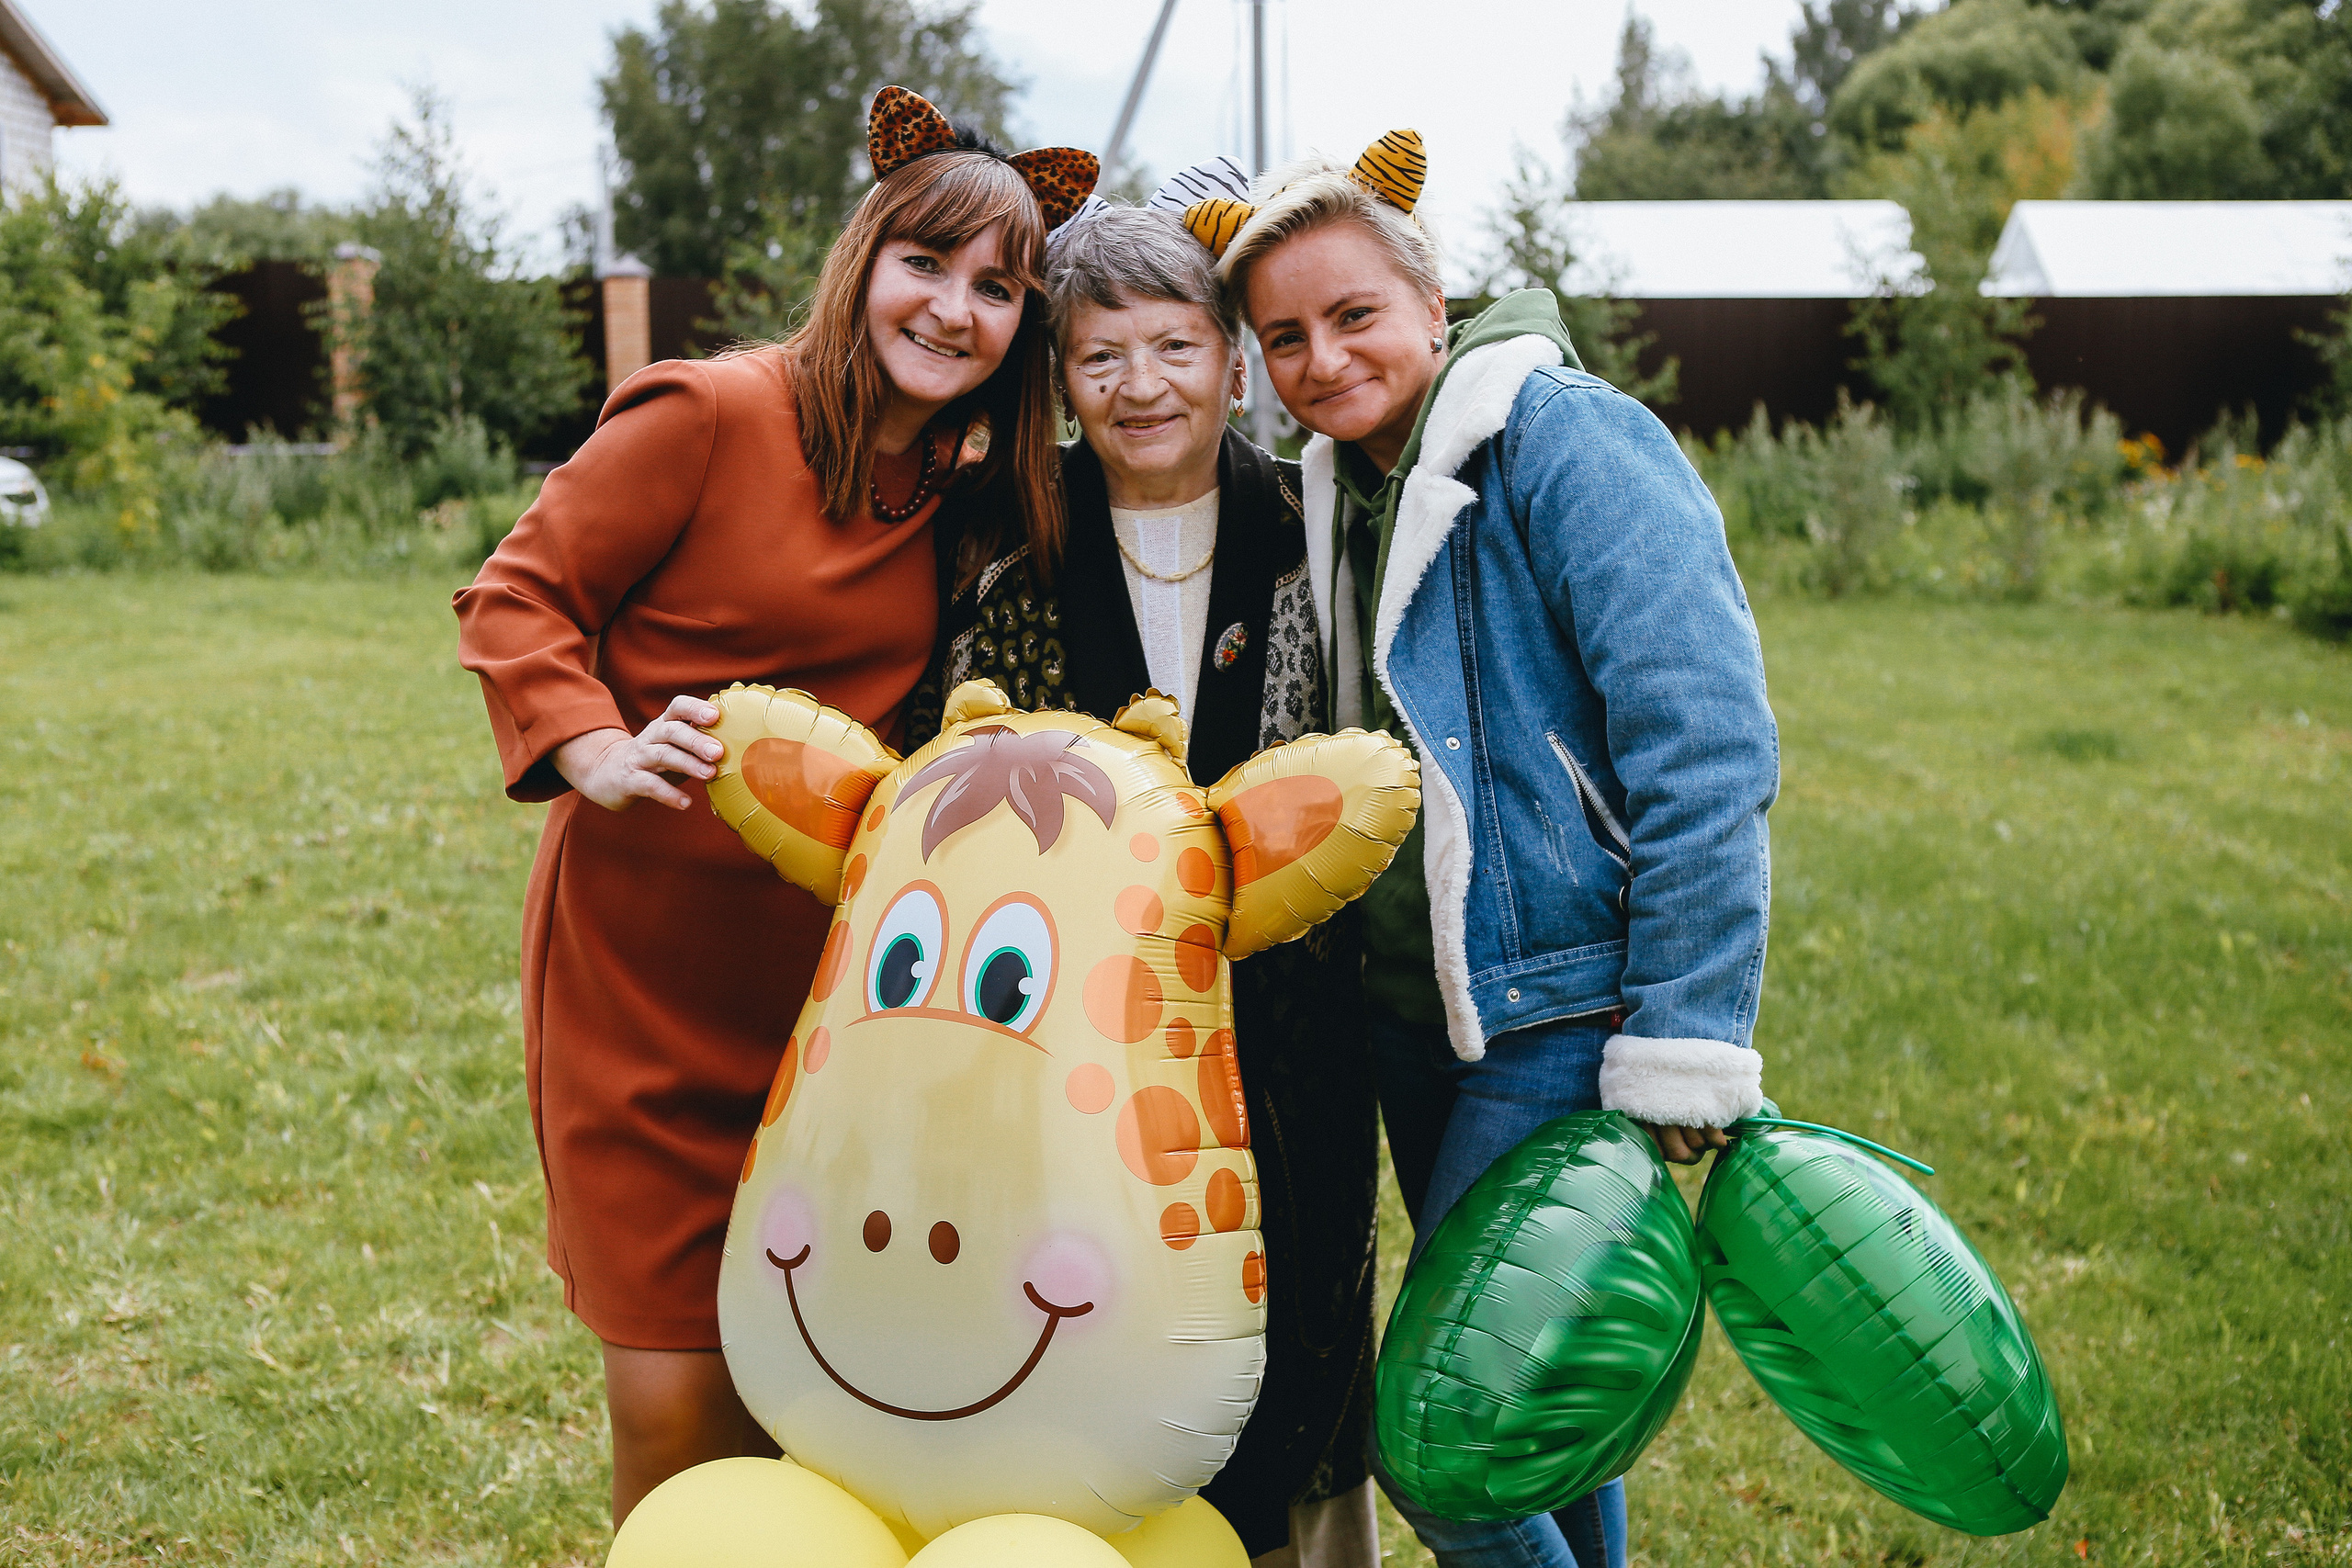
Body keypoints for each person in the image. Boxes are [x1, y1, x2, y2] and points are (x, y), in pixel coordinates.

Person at [452, 85, 1094, 1528]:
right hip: (641, 979)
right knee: (674, 1410)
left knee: (801, 1393)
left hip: (836, 1007)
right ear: (864, 256)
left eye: (998, 289)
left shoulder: (969, 496)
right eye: (925, 264)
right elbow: (518, 597)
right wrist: (591, 746)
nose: (951, 309)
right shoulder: (708, 412)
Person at [1189, 133, 1780, 1568]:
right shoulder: (1340, 483)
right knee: (1539, 1396)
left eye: (1354, 316)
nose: (1322, 359)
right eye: (1285, 337)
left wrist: (1688, 1031)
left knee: (1441, 1442)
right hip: (1422, 1021)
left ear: (1434, 303)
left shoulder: (1563, 438)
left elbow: (1705, 737)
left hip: (1554, 1017)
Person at [910, 166, 1381, 1568]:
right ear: (1060, 383)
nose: (1143, 385)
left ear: (1231, 363)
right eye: (1101, 357)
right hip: (1076, 1030)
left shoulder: (1317, 527)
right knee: (1090, 1315)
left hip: (1291, 1015)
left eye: (1174, 345)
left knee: (1301, 1327)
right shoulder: (1009, 543)